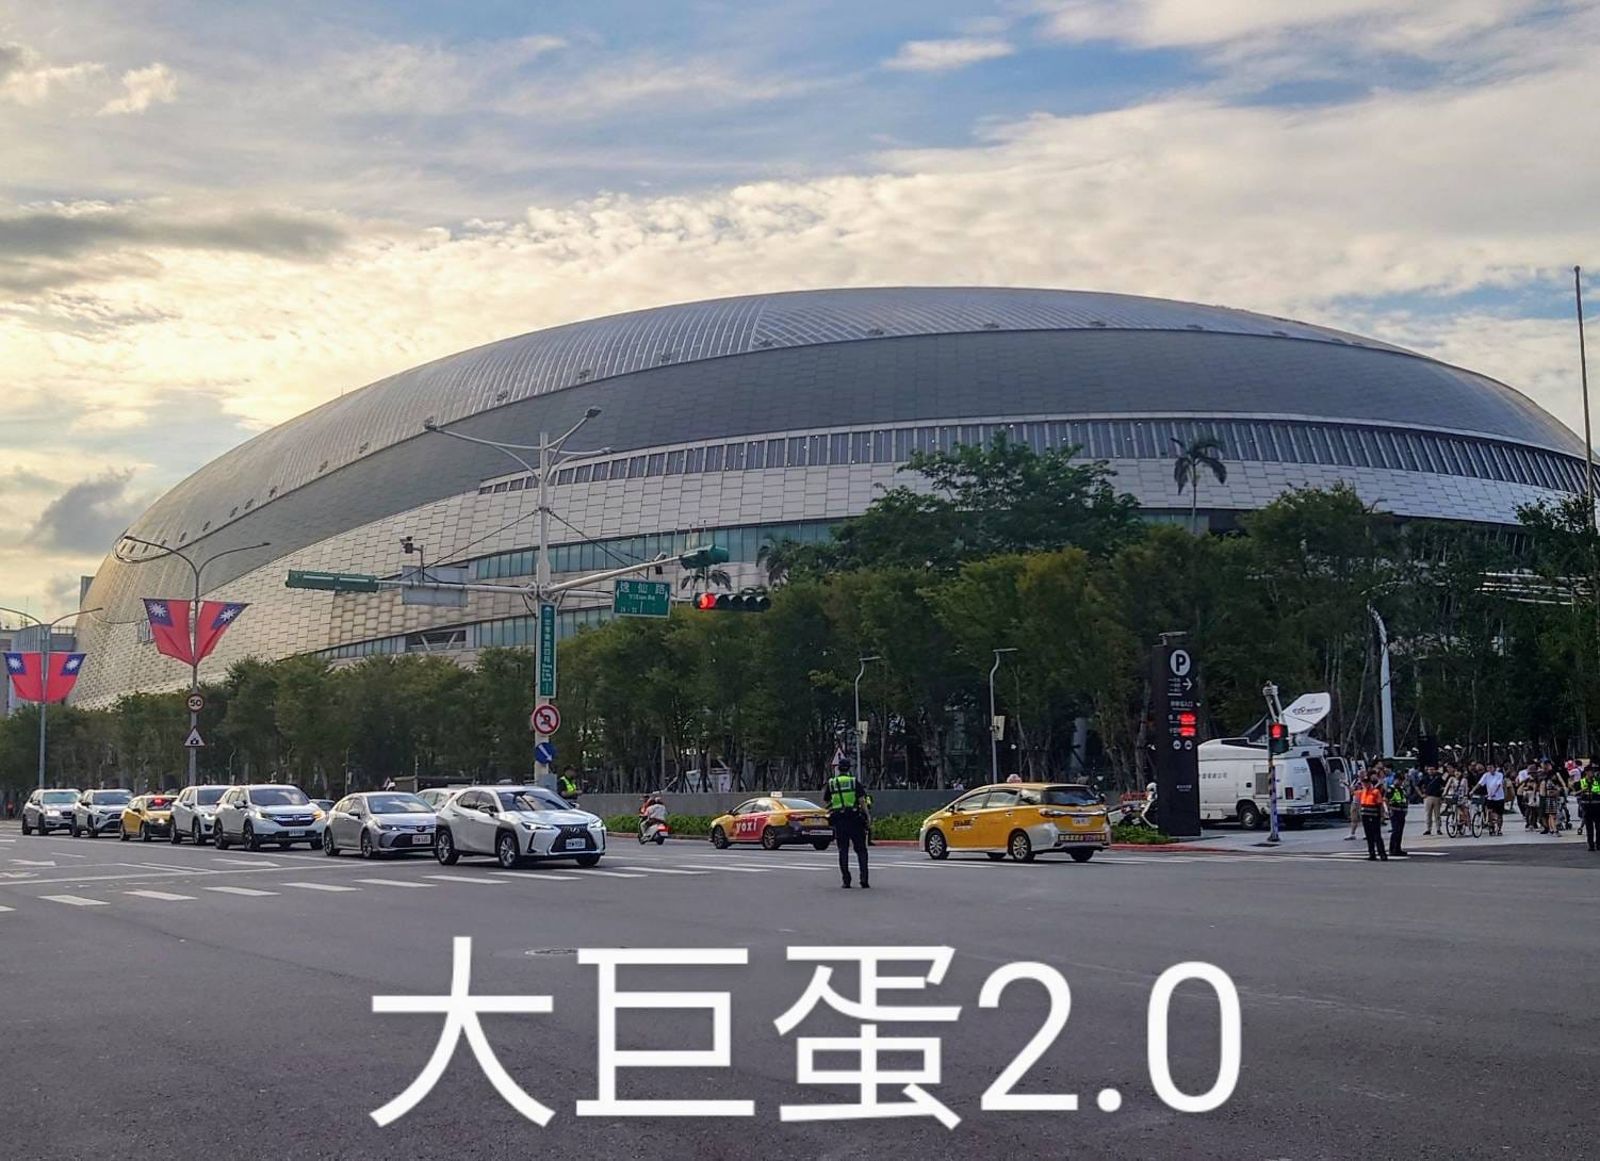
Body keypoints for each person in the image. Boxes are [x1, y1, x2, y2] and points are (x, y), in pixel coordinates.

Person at [824, 757, 869, 889]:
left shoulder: (832, 783)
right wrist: (867, 816)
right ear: (849, 768)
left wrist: (837, 803)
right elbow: (862, 801)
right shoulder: (854, 782)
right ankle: (864, 879)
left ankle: (846, 880)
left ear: (838, 769)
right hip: (854, 818)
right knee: (861, 850)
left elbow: (827, 800)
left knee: (843, 850)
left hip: (839, 820)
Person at [1355, 773, 1388, 861]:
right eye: (1364, 782)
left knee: (1377, 836)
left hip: (1374, 816)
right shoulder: (1362, 792)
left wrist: (1382, 815)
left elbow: (1380, 805)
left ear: (1370, 782)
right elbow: (1354, 795)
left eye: (1367, 782)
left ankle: (1382, 854)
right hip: (1365, 816)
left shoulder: (1375, 792)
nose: (1365, 784)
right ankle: (1372, 853)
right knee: (1369, 836)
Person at [1474, 764, 1506, 835]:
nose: (1489, 769)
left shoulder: (1499, 775)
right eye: (1488, 768)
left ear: (1494, 768)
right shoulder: (1486, 775)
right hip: (1490, 797)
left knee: (1499, 814)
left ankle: (1499, 829)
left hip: (1499, 797)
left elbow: (1499, 785)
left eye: (1491, 767)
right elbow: (1480, 783)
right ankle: (1491, 827)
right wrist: (1472, 791)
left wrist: (1494, 793)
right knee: (1489, 812)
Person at [1386, 772, 1410, 857]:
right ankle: (1392, 849)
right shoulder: (1391, 788)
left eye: (1401, 780)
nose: (1400, 782)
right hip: (1394, 811)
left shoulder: (1402, 789)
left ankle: (1398, 848)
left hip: (1402, 811)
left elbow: (1405, 799)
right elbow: (1386, 799)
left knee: (1400, 831)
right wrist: (1388, 810)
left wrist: (1406, 809)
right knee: (1395, 830)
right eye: (1399, 780)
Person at [1580, 765, 1600, 852]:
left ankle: (1598, 844)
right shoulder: (1582, 781)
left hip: (1597, 806)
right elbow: (1577, 792)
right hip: (1587, 806)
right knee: (1589, 827)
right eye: (1591, 771)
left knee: (1598, 827)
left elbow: (1597, 791)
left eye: (1593, 771)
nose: (1592, 773)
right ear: (1586, 772)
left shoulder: (1597, 780)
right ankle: (1591, 844)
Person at [1421, 765, 1445, 836]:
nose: (1431, 771)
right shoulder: (1425, 778)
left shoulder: (1438, 778)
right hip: (1428, 797)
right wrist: (1421, 794)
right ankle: (1428, 829)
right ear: (1427, 770)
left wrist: (1442, 792)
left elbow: (1445, 785)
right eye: (1429, 769)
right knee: (1428, 814)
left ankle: (1438, 829)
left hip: (1437, 797)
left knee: (1437, 814)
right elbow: (1417, 785)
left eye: (1432, 769)